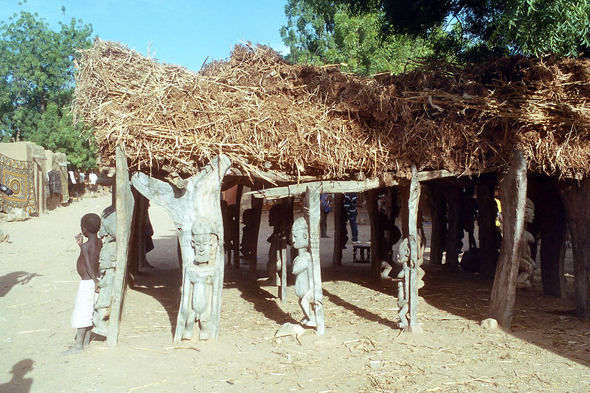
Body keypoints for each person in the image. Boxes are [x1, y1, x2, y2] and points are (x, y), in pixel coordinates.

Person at [64, 213, 102, 354]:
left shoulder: (86, 246)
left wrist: (94, 280)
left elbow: (88, 264)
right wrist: (81, 245)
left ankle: (78, 344)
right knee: (89, 311)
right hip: (93, 282)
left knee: (82, 312)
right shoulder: (98, 242)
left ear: (84, 229)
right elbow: (92, 257)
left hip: (88, 283)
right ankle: (86, 342)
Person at [292, 217, 316, 327]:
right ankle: (308, 317)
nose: (293, 240)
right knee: (301, 302)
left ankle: (314, 320)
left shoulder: (306, 257)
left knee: (304, 302)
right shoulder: (299, 258)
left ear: (305, 236)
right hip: (303, 291)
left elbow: (295, 270)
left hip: (309, 290)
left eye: (295, 236)